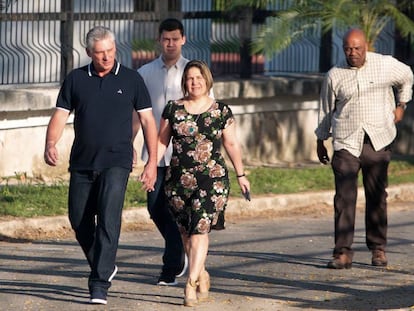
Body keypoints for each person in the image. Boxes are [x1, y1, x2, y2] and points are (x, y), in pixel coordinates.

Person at [44, 26, 158, 305]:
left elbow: (147, 121)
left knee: (108, 220)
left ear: (115, 49)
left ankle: (99, 282)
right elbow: (60, 115)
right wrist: (50, 143)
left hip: (117, 161)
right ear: (89, 53)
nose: (106, 57)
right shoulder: (76, 79)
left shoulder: (132, 79)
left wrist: (152, 162)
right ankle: (102, 262)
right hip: (82, 161)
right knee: (78, 219)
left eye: (109, 51)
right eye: (99, 53)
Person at [315, 28, 413, 269]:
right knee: (344, 198)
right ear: (343, 48)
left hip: (378, 140)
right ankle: (343, 253)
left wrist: (401, 104)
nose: (353, 53)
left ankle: (378, 248)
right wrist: (320, 140)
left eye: (357, 48)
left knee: (377, 196)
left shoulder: (385, 65)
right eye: (348, 48)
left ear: (366, 46)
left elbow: (408, 75)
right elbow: (326, 110)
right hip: (346, 142)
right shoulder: (334, 75)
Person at [157, 60, 250, 306]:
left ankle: (190, 283)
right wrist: (149, 168)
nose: (194, 82)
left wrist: (241, 175)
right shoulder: (172, 109)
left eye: (198, 77)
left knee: (200, 228)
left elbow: (231, 144)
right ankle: (202, 273)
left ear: (207, 80)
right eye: (189, 78)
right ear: (184, 82)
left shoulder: (221, 111)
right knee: (186, 233)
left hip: (212, 179)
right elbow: (161, 142)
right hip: (177, 180)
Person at [136, 18, 189, 286]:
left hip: (183, 155)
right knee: (155, 206)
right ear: (159, 40)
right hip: (154, 153)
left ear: (183, 40)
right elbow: (138, 114)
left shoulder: (192, 73)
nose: (170, 44)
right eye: (166, 39)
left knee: (175, 211)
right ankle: (180, 245)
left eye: (175, 39)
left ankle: (170, 267)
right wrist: (129, 145)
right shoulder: (145, 73)